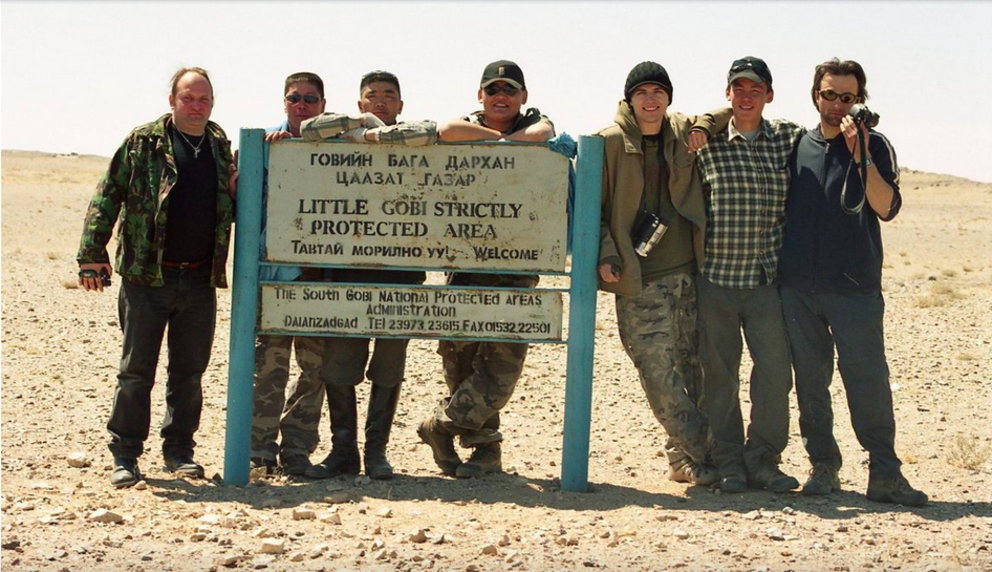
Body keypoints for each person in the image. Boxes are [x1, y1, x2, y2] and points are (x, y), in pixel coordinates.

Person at [77, 67, 235, 488]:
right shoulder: (143, 141)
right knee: (136, 372)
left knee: (189, 373)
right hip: (147, 278)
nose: (197, 106)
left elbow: (231, 205)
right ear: (173, 100)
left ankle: (179, 452)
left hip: (200, 280)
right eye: (189, 98)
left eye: (204, 99)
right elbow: (108, 193)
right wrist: (92, 254)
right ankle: (125, 455)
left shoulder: (220, 145)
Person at [779, 58, 927, 506]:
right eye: (829, 94)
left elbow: (886, 207)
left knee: (867, 380)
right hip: (798, 286)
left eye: (847, 97)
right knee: (810, 380)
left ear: (859, 100)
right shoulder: (796, 145)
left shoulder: (875, 145)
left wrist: (860, 153)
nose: (836, 104)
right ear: (815, 94)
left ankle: (884, 471)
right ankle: (823, 465)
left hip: (855, 286)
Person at [416, 60, 555, 478]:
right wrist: (500, 140)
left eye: (509, 90)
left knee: (500, 370)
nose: (500, 96)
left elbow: (541, 136)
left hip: (515, 268)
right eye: (492, 89)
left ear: (523, 97)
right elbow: (445, 130)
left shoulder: (536, 121)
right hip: (465, 265)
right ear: (480, 95)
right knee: (462, 363)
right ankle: (484, 454)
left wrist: (496, 144)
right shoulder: (467, 122)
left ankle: (439, 426)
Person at [297, 71, 436, 480]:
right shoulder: (341, 134)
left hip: (401, 278)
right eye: (371, 96)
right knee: (339, 366)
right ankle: (344, 451)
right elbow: (307, 129)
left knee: (389, 368)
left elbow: (433, 131)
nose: (380, 102)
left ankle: (376, 451)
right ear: (359, 103)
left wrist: (384, 137)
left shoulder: (418, 138)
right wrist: (360, 127)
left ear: (400, 105)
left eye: (389, 96)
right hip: (346, 277)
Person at [597, 61, 730, 487]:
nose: (650, 100)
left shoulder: (680, 131)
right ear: (629, 99)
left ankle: (683, 460)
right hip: (638, 278)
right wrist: (604, 254)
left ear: (668, 97)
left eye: (658, 92)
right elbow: (592, 210)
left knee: (694, 369)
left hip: (687, 273)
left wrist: (704, 129)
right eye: (642, 93)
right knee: (658, 372)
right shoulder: (611, 142)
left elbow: (724, 113)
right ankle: (710, 452)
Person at [693, 57, 804, 494]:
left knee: (775, 374)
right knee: (719, 377)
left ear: (769, 95)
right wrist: (708, 122)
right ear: (727, 95)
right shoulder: (706, 142)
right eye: (738, 88)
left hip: (765, 282)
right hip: (715, 279)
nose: (746, 96)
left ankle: (764, 460)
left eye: (755, 89)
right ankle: (729, 463)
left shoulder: (788, 140)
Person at [250, 72, 329, 476]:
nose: (302, 105)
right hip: (274, 273)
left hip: (317, 277)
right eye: (295, 98)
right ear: (284, 102)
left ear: (323, 104)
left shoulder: (338, 144)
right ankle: (259, 451)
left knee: (313, 368)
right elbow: (242, 199)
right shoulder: (262, 145)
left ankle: (297, 450)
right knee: (268, 365)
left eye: (310, 99)